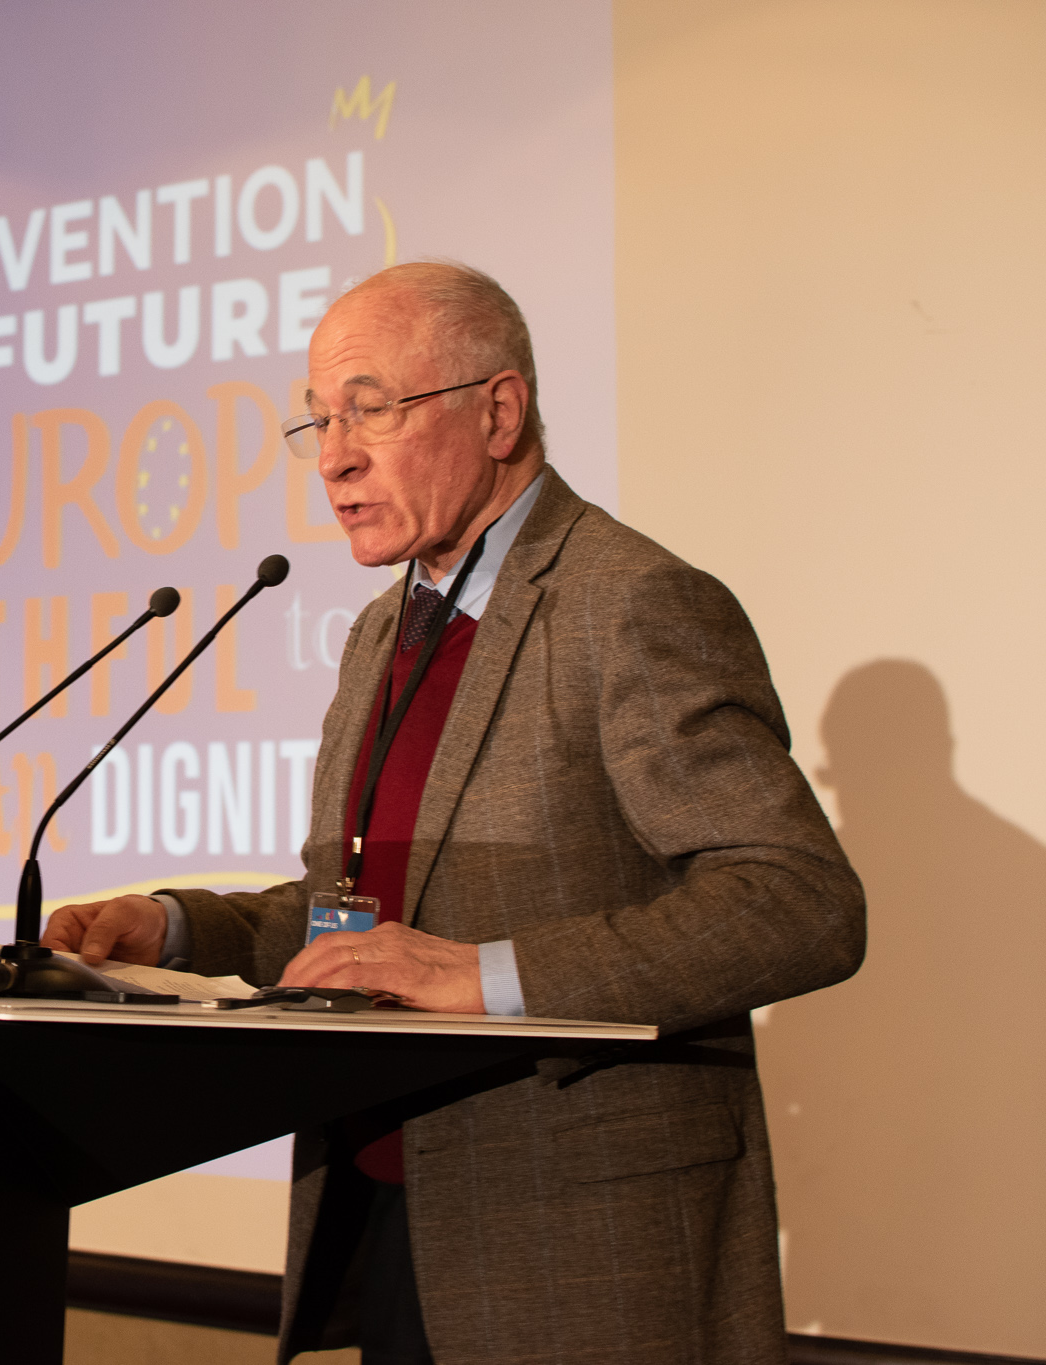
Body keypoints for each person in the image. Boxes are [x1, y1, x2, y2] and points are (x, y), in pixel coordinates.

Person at [43, 262, 864, 1365]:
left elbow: (798, 902)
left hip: (578, 1244)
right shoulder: (384, 631)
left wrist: (485, 978)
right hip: (389, 1210)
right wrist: (178, 927)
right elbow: (361, 923)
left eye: (370, 409)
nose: (333, 456)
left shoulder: (627, 604)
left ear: (498, 412)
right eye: (318, 419)